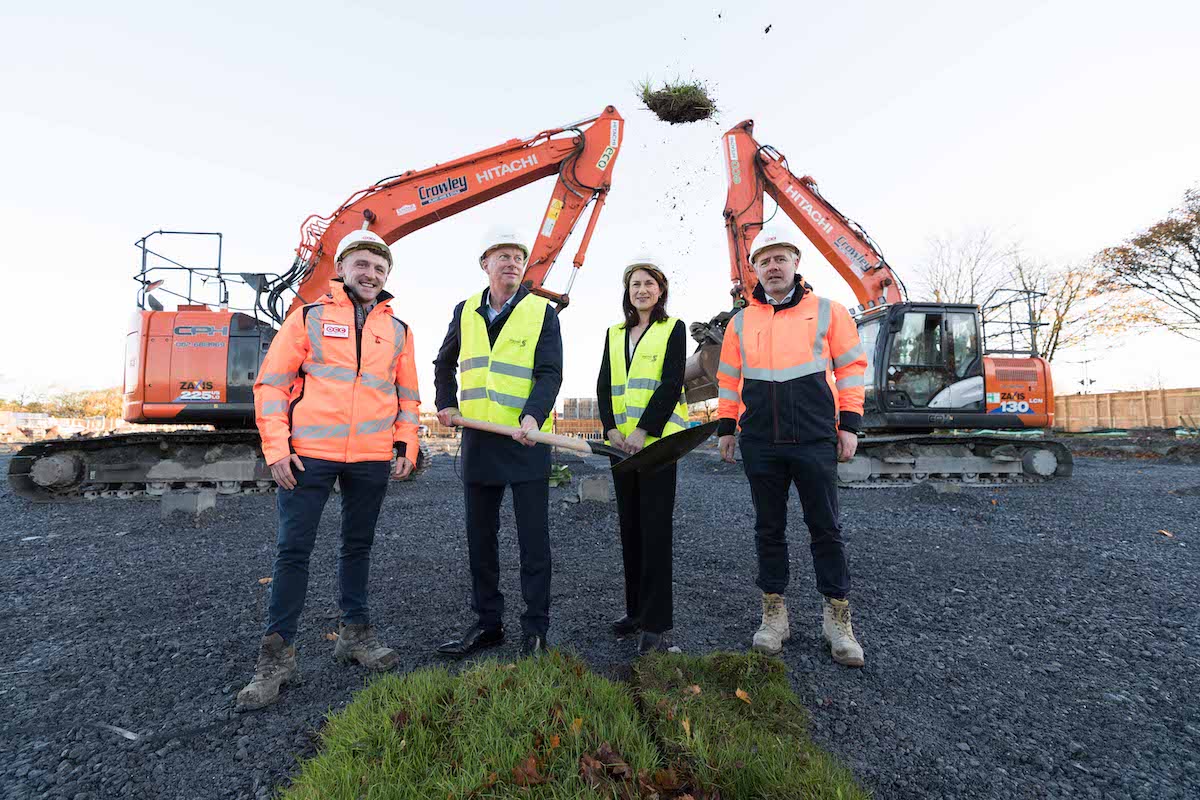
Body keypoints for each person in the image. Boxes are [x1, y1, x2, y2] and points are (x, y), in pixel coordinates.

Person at [237, 229, 421, 711]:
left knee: (357, 546)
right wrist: (277, 449)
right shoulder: (307, 318)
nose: (371, 274)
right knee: (292, 551)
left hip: (370, 456)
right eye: (362, 264)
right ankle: (276, 659)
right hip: (308, 455)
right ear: (341, 268)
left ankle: (355, 636)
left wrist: (406, 443)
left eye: (380, 269)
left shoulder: (398, 330)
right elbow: (271, 386)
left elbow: (408, 396)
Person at [716, 224, 869, 667]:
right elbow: (728, 379)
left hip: (815, 437)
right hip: (761, 440)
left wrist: (850, 424)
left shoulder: (828, 311)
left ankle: (837, 621)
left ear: (796, 263)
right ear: (755, 272)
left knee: (825, 528)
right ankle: (774, 617)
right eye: (764, 261)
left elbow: (851, 369)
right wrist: (727, 428)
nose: (773, 266)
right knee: (769, 529)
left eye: (780, 258)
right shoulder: (741, 321)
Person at [433, 229, 563, 658]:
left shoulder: (542, 312)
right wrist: (446, 404)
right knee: (480, 540)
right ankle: (488, 624)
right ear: (484, 264)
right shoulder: (465, 310)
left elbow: (549, 373)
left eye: (517, 256)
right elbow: (444, 363)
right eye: (501, 255)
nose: (511, 262)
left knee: (533, 541)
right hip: (479, 440)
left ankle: (536, 628)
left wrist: (533, 416)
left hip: (525, 440)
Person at [596, 257, 688, 656]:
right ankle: (634, 612)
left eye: (649, 283)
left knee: (654, 532)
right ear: (627, 291)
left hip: (657, 446)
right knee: (630, 531)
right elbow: (604, 384)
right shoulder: (615, 333)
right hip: (621, 447)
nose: (642, 290)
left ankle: (655, 624)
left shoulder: (673, 328)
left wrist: (642, 431)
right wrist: (611, 429)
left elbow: (670, 384)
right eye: (635, 284)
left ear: (661, 290)